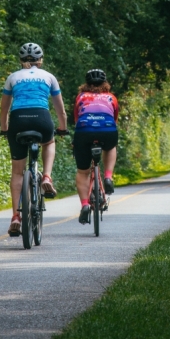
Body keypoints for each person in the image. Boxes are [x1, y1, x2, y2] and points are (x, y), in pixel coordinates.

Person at [0, 43, 68, 236]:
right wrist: (62, 128)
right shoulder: (49, 77)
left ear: (21, 61)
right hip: (42, 119)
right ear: (41, 60)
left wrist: (5, 129)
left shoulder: (12, 77)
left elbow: (4, 109)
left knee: (17, 172)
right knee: (49, 141)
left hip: (18, 121)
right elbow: (60, 109)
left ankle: (15, 216)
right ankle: (46, 176)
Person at [72, 69, 119, 224]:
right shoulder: (112, 97)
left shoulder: (80, 97)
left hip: (84, 130)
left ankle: (85, 205)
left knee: (83, 171)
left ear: (86, 84)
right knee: (111, 146)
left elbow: (77, 119)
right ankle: (108, 176)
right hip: (107, 129)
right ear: (105, 84)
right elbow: (114, 118)